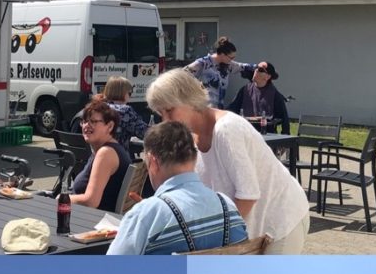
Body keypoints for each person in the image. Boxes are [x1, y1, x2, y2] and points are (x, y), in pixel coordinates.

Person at [146, 69, 310, 254]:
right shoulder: (190, 138)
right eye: (161, 113)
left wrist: (215, 238)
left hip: (281, 222)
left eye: (169, 110)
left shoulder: (227, 129)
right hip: (251, 228)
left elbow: (248, 196)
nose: (166, 120)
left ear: (189, 99)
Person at [107, 121, 247, 255]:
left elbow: (111, 273)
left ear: (153, 161)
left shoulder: (147, 214)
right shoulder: (228, 206)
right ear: (195, 157)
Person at [69, 98, 132, 212]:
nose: (86, 126)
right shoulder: (105, 149)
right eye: (84, 121)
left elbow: (91, 201)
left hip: (94, 221)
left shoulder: (106, 153)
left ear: (110, 126)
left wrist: (62, 198)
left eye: (93, 121)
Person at [186, 36, 252, 109]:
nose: (232, 60)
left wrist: (259, 66)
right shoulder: (203, 63)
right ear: (223, 55)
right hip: (203, 108)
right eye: (231, 58)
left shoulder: (228, 65)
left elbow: (243, 66)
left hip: (218, 109)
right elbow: (181, 75)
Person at [227, 61, 290, 134]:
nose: (256, 70)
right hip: (245, 132)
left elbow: (284, 118)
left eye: (260, 70)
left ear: (268, 77)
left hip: (266, 134)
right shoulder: (245, 90)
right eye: (256, 67)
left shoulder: (275, 95)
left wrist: (286, 140)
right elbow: (231, 109)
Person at [102, 76, 151, 150]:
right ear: (123, 93)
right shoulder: (124, 111)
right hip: (118, 156)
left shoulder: (98, 107)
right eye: (129, 93)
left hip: (96, 156)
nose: (130, 97)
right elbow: (145, 133)